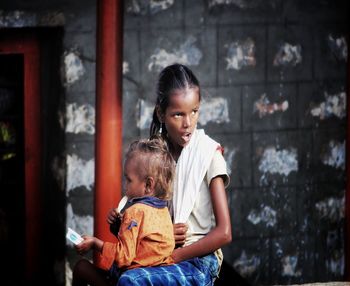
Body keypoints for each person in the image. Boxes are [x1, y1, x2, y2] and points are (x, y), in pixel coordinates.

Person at [110, 63, 232, 285]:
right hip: (158, 252)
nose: (188, 123)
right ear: (161, 113)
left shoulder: (208, 154)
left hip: (196, 260)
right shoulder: (155, 156)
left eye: (194, 111)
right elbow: (145, 215)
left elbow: (224, 232)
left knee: (130, 281)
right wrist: (124, 225)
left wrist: (174, 255)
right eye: (178, 114)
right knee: (110, 269)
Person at [72, 138, 176, 286]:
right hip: (154, 278)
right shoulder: (163, 209)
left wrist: (95, 243)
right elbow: (142, 245)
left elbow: (125, 256)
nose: (124, 185)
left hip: (130, 280)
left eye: (128, 180)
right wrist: (118, 226)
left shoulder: (135, 211)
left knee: (81, 268)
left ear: (148, 185)